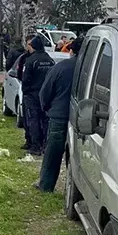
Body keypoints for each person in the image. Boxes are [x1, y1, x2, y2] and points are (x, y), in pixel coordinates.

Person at [36, 37, 83, 192]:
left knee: (53, 152)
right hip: (84, 118)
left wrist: (46, 108)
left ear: (71, 51)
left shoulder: (61, 67)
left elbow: (45, 91)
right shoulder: (90, 68)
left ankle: (46, 185)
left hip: (59, 116)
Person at [21, 35, 56, 156]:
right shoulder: (50, 60)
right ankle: (46, 145)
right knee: (45, 120)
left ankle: (35, 146)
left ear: (34, 46)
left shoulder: (31, 60)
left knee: (33, 120)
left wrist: (26, 91)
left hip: (32, 95)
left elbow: (25, 79)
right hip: (46, 95)